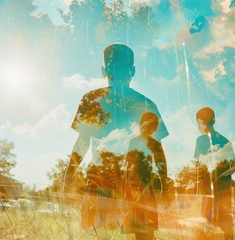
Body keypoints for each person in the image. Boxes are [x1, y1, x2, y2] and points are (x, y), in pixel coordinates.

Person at [64, 43, 169, 229]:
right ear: (133, 71)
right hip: (139, 187)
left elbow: (82, 142)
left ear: (103, 70)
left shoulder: (91, 100)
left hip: (101, 184)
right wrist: (164, 184)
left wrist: (68, 176)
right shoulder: (146, 104)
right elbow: (157, 149)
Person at [122, 112, 170, 240]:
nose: (148, 128)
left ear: (154, 128)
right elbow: (127, 166)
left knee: (147, 225)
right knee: (138, 226)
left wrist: (164, 189)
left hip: (147, 188)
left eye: (151, 126)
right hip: (134, 188)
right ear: (141, 125)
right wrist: (125, 189)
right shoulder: (134, 142)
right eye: (145, 124)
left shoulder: (155, 144)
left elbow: (162, 168)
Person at [194, 107, 235, 240]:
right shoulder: (226, 141)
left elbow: (198, 167)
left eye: (197, 123)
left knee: (206, 227)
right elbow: (234, 166)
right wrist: (223, 175)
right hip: (224, 191)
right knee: (226, 226)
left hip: (209, 190)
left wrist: (198, 189)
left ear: (201, 122)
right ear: (214, 120)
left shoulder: (200, 140)